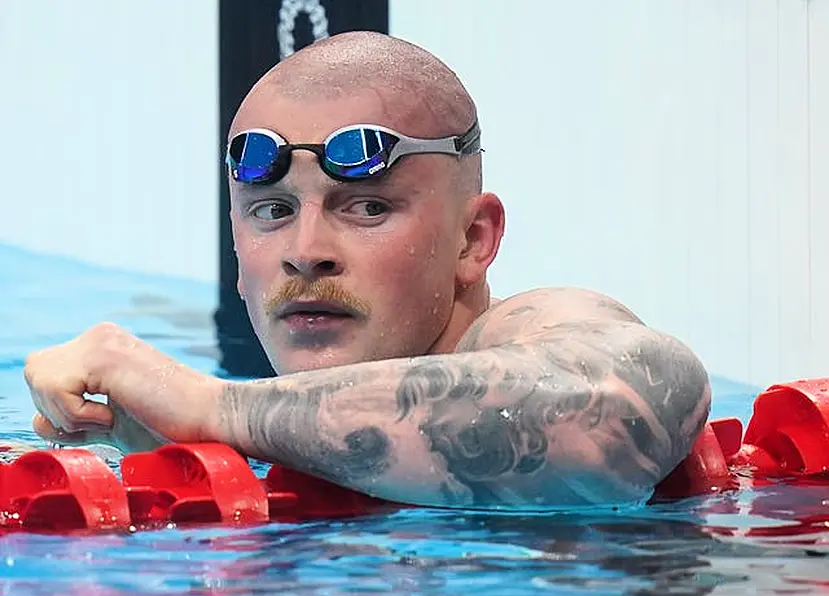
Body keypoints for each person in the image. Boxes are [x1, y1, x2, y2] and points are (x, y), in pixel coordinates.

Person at [23, 31, 710, 510]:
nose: (305, 249)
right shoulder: (256, 428)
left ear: (473, 240)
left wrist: (213, 410)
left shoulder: (526, 332)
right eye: (271, 211)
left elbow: (620, 410)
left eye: (367, 207)